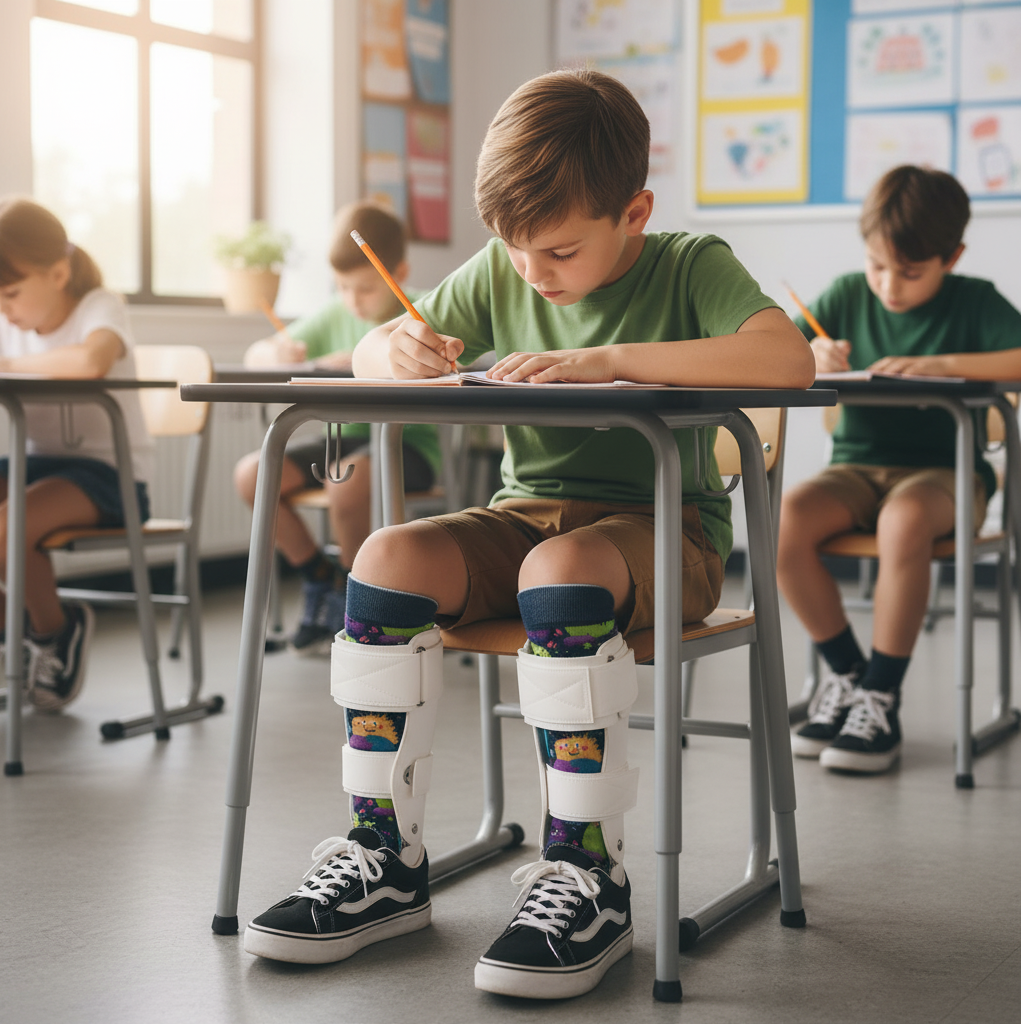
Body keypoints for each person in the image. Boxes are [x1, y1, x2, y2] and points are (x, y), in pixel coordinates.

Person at [242, 70, 813, 998]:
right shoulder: (505, 265)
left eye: (556, 252)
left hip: (669, 533)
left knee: (563, 568)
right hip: (526, 524)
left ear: (635, 211)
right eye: (511, 251)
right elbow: (369, 347)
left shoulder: (686, 264)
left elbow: (782, 358)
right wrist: (397, 348)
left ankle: (587, 870)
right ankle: (384, 858)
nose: (530, 275)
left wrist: (608, 362)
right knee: (387, 557)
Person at [777, 165, 1021, 775]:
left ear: (952, 256)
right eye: (877, 265)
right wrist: (810, 354)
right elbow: (775, 354)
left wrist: (944, 364)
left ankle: (881, 697)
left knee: (904, 522)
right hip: (856, 469)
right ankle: (853, 678)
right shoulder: (843, 294)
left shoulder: (976, 301)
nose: (889, 286)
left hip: (944, 472)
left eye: (910, 273)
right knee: (781, 522)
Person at [233, 201, 440, 655]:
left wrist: (360, 359)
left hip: (409, 444)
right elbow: (258, 354)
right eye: (343, 287)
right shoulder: (334, 312)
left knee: (345, 483)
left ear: (398, 272)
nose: (352, 300)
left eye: (364, 288)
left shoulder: (424, 308)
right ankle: (318, 576)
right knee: (255, 474)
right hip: (347, 442)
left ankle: (355, 600)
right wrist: (278, 354)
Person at [0, 196, 154, 711]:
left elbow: (91, 360)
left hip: (109, 475)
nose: (4, 307)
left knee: (5, 528)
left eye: (12, 293)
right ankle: (17, 630)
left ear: (58, 272)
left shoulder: (98, 306)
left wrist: (8, 363)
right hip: (35, 466)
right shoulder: (8, 321)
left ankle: (53, 632)